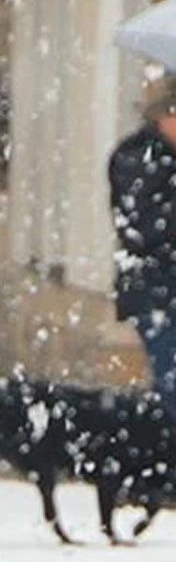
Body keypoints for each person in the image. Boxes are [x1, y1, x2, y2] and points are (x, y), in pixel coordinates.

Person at [109, 95, 176, 413]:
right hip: (157, 295)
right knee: (171, 387)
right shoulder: (138, 157)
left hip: (164, 290)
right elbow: (146, 228)